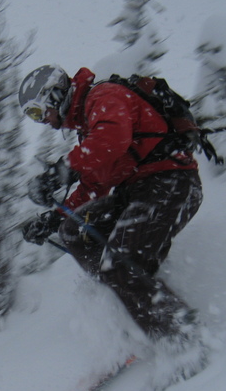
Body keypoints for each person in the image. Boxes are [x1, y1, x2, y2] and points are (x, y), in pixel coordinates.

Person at [19, 65, 204, 346]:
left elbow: (112, 140)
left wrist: (60, 172)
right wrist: (54, 220)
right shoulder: (87, 127)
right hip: (140, 191)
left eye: (38, 111)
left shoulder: (103, 97)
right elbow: (94, 185)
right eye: (33, 116)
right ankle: (133, 301)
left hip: (170, 183)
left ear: (54, 95)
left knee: (118, 261)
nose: (41, 120)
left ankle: (180, 338)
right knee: (74, 231)